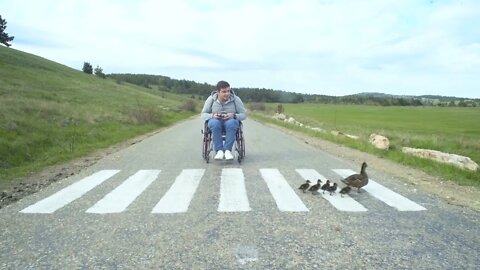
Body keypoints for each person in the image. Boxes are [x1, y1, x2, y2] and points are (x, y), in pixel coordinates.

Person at [201, 81, 247, 160]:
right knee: (215, 124)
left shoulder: (236, 99)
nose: (227, 94)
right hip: (215, 121)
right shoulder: (211, 99)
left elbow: (244, 115)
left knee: (231, 123)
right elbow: (203, 114)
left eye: (228, 91)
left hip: (230, 121)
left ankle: (227, 151)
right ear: (218, 92)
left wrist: (234, 115)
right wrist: (212, 115)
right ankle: (219, 151)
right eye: (224, 92)